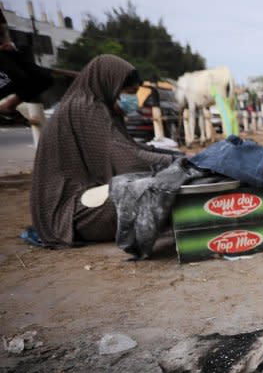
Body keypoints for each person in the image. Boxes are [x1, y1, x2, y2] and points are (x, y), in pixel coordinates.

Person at [30, 54, 178, 247]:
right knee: (152, 193)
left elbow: (132, 147)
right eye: (129, 92)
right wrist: (177, 162)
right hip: (68, 212)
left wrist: (172, 156)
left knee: (160, 186)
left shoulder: (99, 107)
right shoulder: (87, 107)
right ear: (111, 85)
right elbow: (128, 159)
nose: (132, 100)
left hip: (78, 200)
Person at [0, 8, 54, 119]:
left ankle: (8, 105)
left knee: (45, 78)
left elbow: (2, 28)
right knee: (18, 77)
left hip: (6, 52)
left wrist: (7, 42)